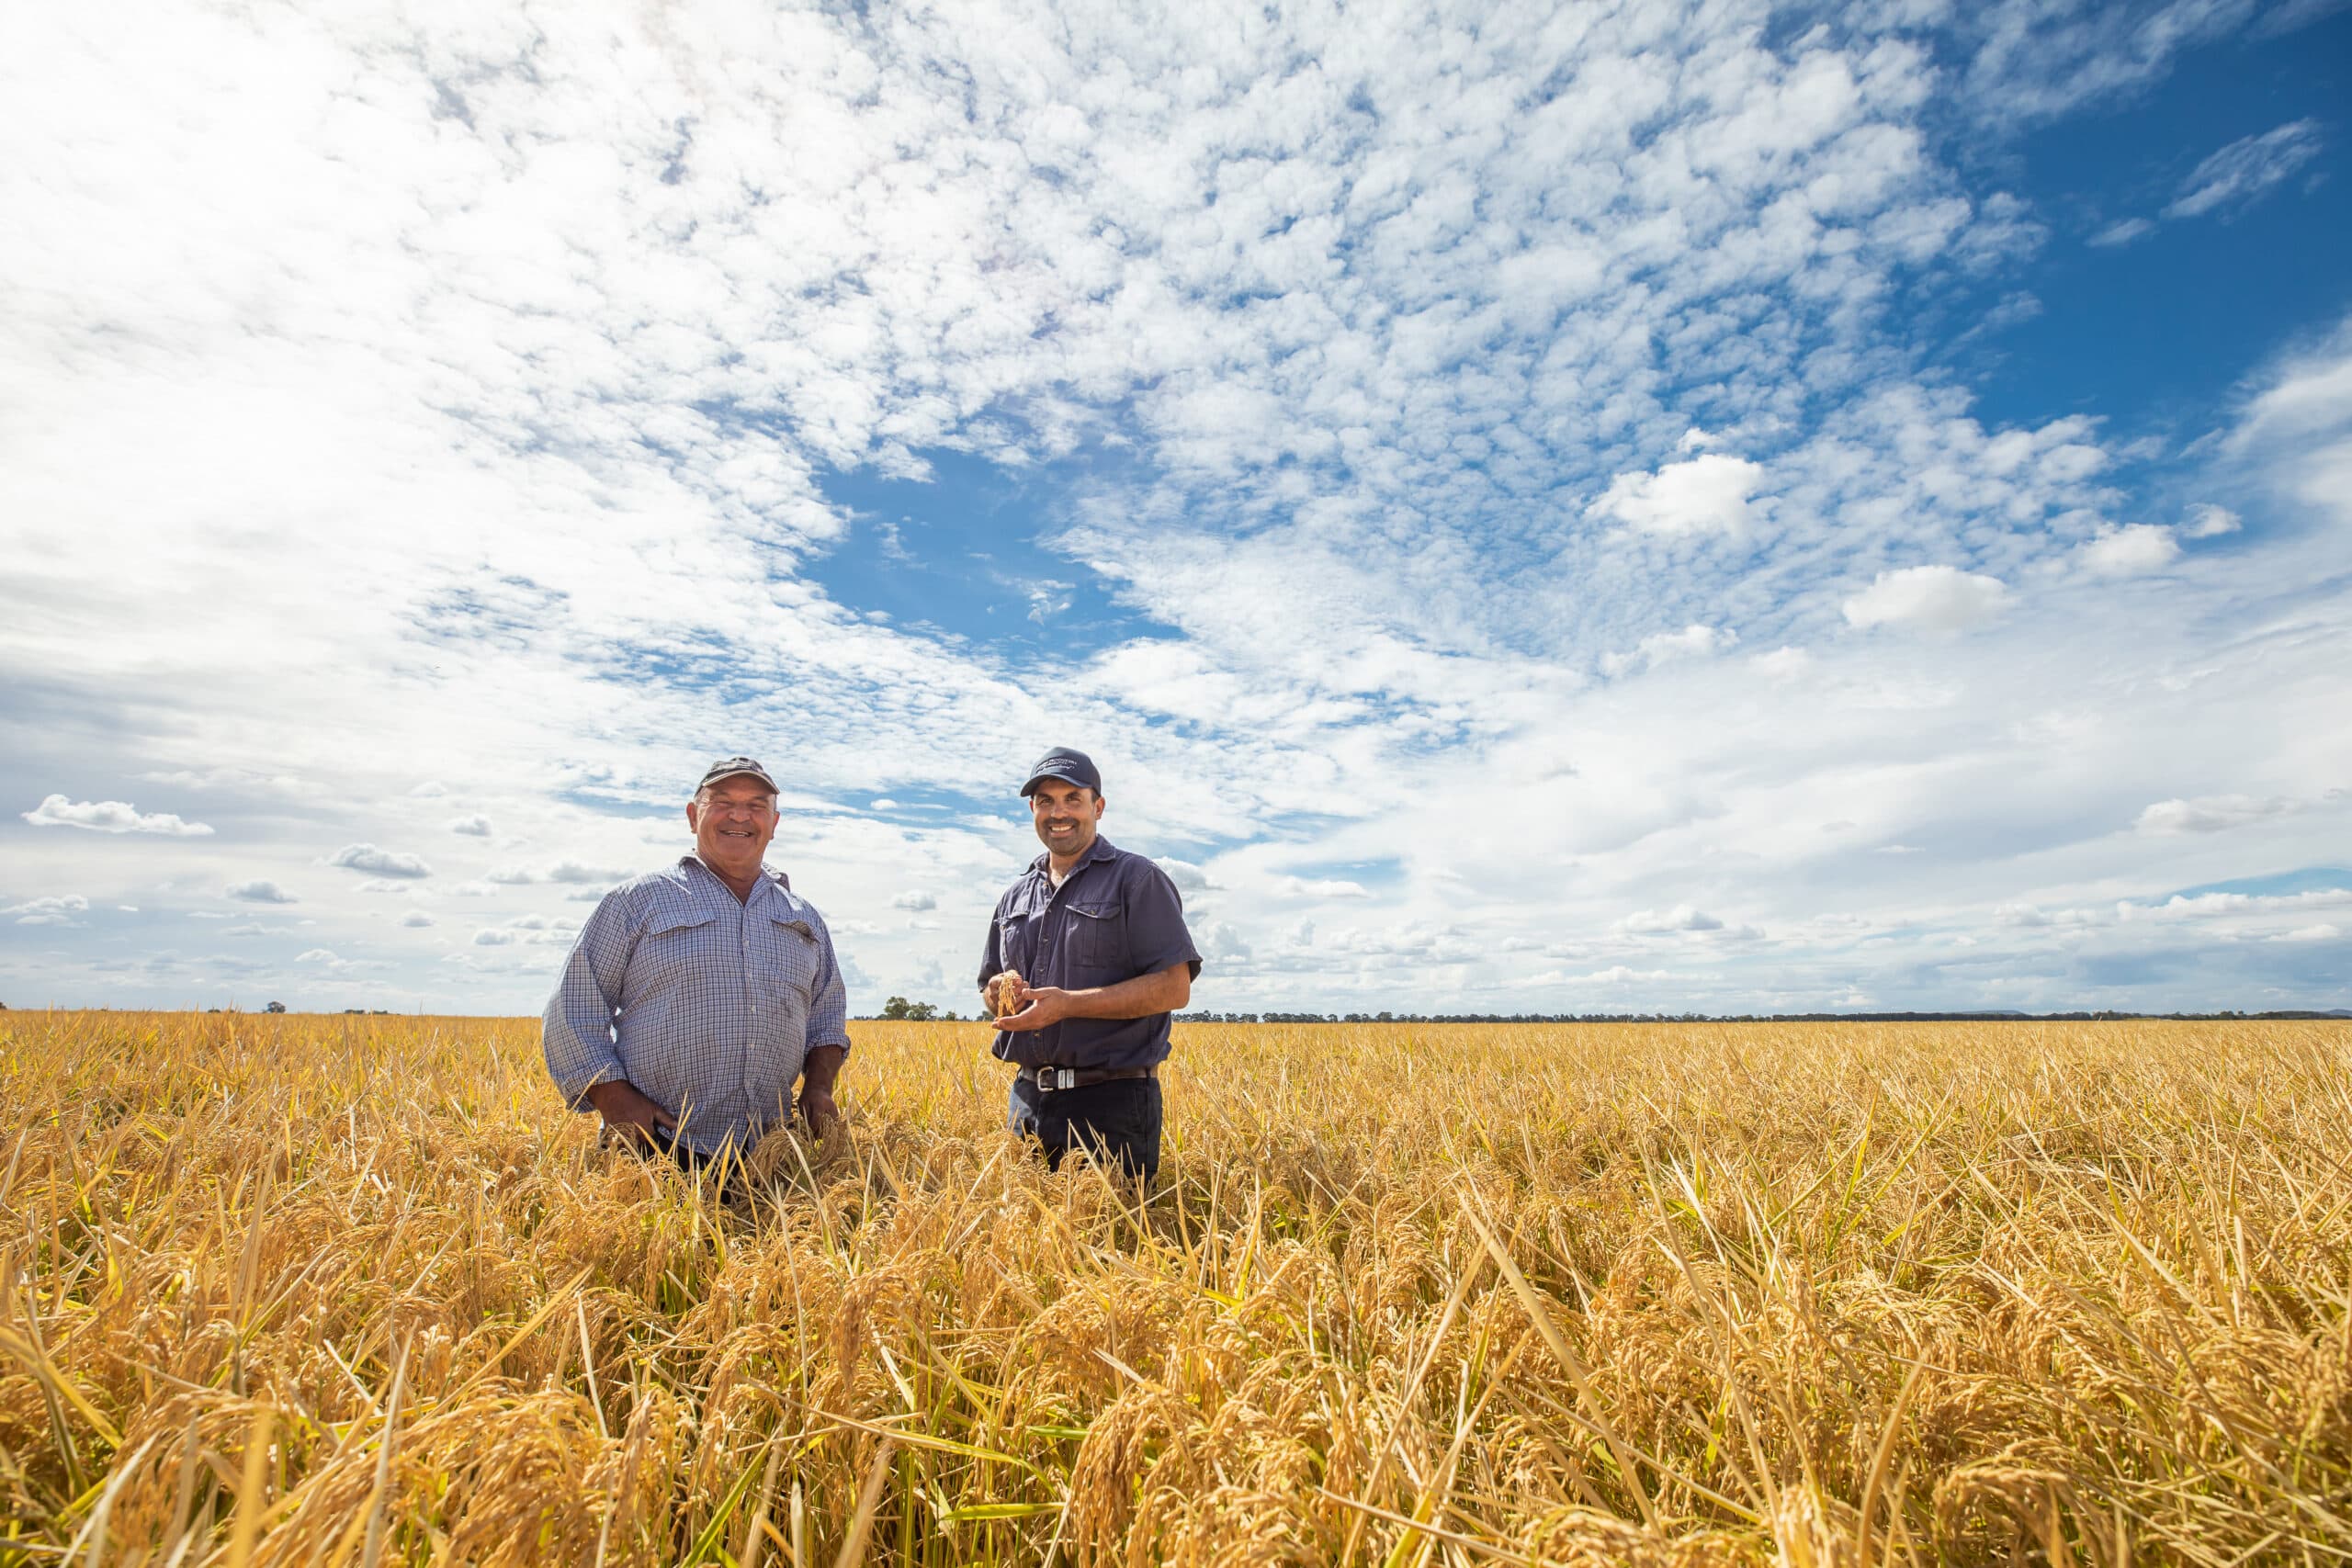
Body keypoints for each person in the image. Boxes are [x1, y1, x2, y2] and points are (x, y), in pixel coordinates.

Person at [542, 756, 850, 1168]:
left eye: (757, 805)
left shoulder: (803, 918)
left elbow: (827, 1015)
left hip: (773, 1157)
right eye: (722, 801)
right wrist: (614, 1098)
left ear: (774, 824)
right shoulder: (638, 902)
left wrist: (819, 1087)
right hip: (656, 1146)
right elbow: (574, 1007)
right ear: (692, 816)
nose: (739, 815)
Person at [979, 748, 1201, 1184]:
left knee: (1112, 1240)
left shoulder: (1136, 880)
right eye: (1045, 801)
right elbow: (988, 987)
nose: (1058, 812)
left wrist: (1067, 1005)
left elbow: (1174, 988)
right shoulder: (1015, 897)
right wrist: (997, 992)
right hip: (1027, 1101)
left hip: (1111, 1104)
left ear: (1098, 807)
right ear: (1032, 810)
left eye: (1072, 799)